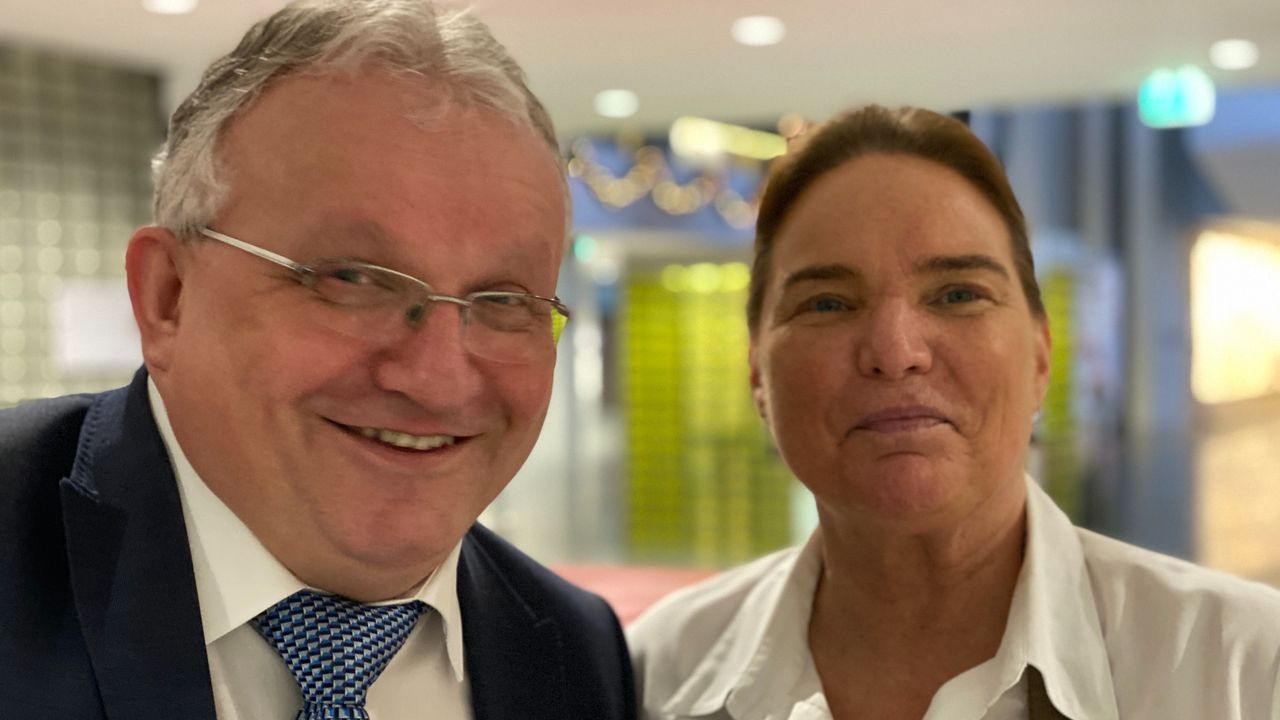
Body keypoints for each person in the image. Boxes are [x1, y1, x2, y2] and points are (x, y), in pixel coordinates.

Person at [0, 2, 634, 718]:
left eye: (503, 300)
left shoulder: (575, 651)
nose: (437, 379)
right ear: (167, 297)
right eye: (352, 279)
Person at [627, 105, 1280, 720]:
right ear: (757, 374)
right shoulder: (658, 672)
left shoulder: (1242, 670)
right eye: (827, 303)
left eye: (958, 294)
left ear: (1041, 356)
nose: (895, 353)